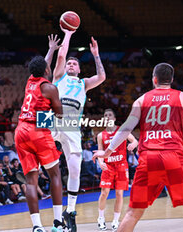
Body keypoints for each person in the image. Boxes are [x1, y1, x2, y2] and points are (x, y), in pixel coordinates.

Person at [93, 63, 183, 232]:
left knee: (132, 213)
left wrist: (107, 151)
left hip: (148, 159)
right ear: (171, 80)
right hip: (175, 158)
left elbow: (125, 128)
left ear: (154, 79)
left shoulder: (141, 100)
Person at [51, 26, 106, 232]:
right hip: (53, 119)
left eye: (75, 63)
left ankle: (70, 210)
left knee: (75, 168)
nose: (71, 64)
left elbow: (101, 77)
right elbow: (61, 55)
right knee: (36, 138)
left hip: (73, 123)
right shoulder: (59, 77)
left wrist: (96, 55)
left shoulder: (84, 83)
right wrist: (68, 34)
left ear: (80, 69)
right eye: (69, 63)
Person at [14, 34, 65, 232]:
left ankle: (37, 227)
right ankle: (58, 222)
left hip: (20, 131)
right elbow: (59, 115)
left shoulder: (30, 82)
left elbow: (43, 65)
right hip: (37, 131)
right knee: (55, 175)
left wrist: (51, 49)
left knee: (30, 180)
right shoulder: (50, 88)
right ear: (46, 70)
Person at [96, 109, 138, 231]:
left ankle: (115, 220)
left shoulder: (122, 131)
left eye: (110, 115)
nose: (107, 117)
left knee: (119, 194)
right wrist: (100, 162)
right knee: (104, 193)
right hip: (108, 166)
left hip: (121, 166)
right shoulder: (100, 135)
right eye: (105, 115)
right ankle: (101, 218)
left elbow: (135, 140)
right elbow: (100, 152)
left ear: (114, 119)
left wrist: (133, 145)